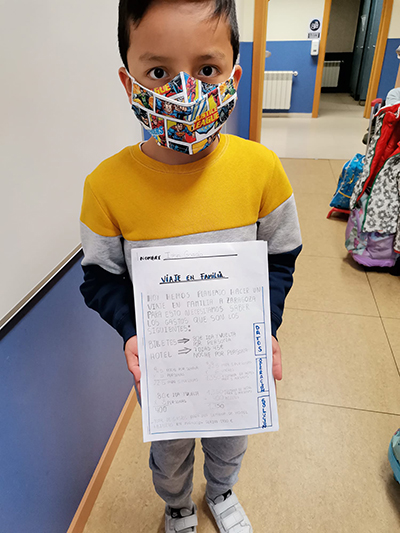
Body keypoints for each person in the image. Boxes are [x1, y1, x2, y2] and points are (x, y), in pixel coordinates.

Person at [79, 1, 302, 532]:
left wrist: (264, 324)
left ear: (234, 75)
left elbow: (280, 257)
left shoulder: (262, 170)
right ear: (129, 83)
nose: (185, 92)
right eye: (159, 72)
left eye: (207, 69)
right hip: (166, 364)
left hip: (235, 356)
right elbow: (100, 276)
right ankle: (177, 504)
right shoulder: (106, 187)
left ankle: (221, 492)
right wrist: (132, 331)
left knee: (231, 436)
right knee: (171, 446)